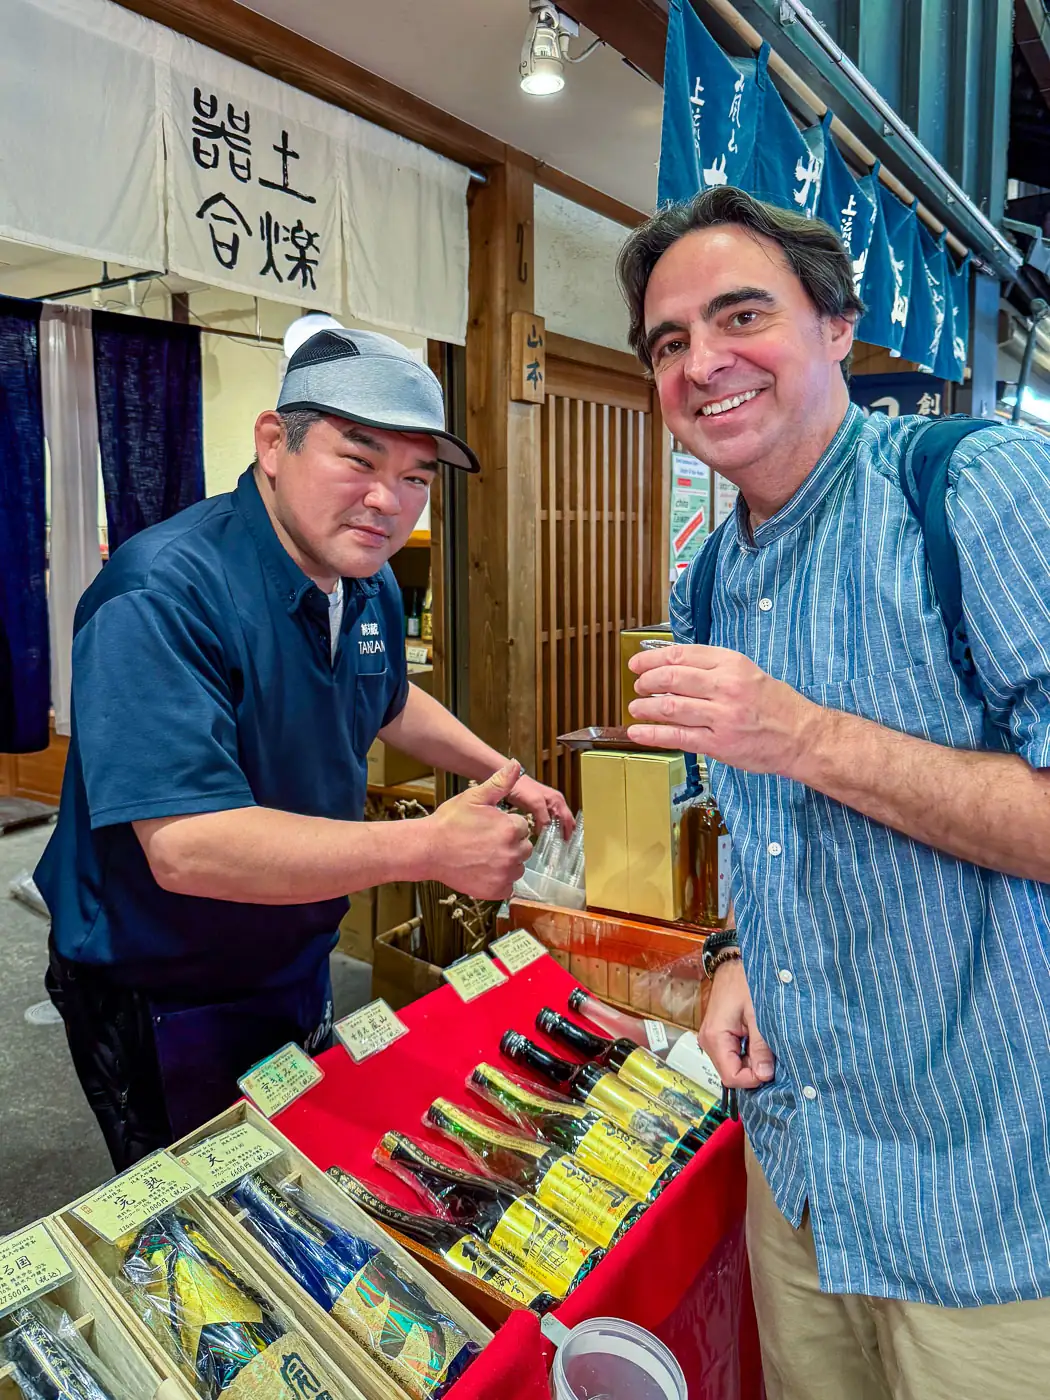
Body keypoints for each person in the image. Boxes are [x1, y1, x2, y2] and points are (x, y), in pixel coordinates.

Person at [616, 187, 1050, 1397]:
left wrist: (804, 735)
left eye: (741, 313)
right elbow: (756, 832)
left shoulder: (978, 491)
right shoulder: (707, 577)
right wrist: (732, 959)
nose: (704, 363)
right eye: (667, 342)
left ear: (837, 325)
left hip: (994, 1203)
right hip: (799, 1173)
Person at [37, 328, 571, 1168]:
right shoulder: (161, 593)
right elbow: (186, 846)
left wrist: (504, 774)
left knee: (297, 1167)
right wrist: (428, 846)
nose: (387, 500)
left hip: (293, 950)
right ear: (273, 444)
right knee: (203, 1209)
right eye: (359, 460)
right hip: (165, 978)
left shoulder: (367, 582)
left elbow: (386, 695)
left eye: (415, 477)